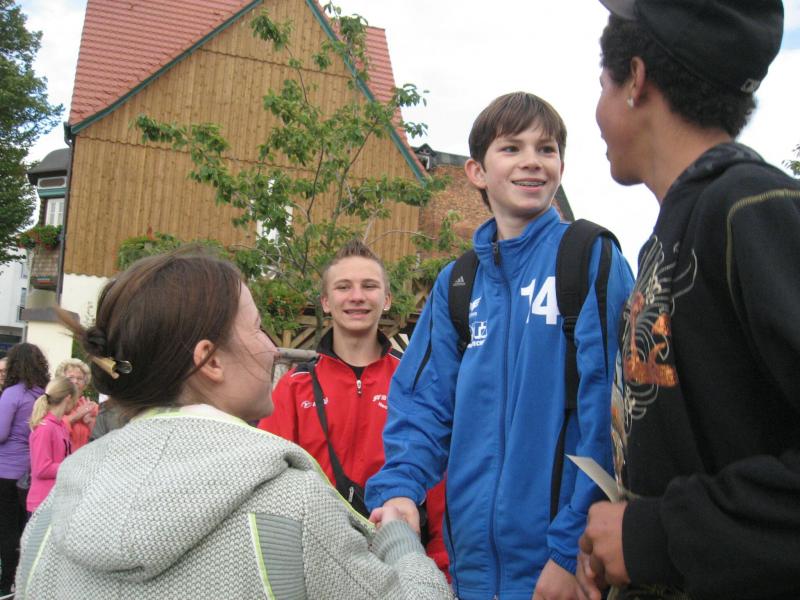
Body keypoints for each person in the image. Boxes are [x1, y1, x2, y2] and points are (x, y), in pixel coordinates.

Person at [15, 250, 452, 599]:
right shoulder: (294, 504)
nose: (273, 348)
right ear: (210, 360)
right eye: (258, 328)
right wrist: (399, 541)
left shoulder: (52, 513)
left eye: (369, 285)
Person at [366, 92, 634, 599]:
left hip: (563, 568)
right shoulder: (458, 283)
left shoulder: (588, 258)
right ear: (477, 171)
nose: (532, 160)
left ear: (560, 166)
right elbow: (425, 405)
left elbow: (613, 418)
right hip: (471, 571)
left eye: (546, 149)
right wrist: (401, 487)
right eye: (512, 148)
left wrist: (570, 550)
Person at [577, 2, 800, 600]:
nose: (596, 109)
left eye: (602, 82)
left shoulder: (754, 210)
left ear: (636, 79)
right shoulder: (674, 234)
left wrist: (655, 535)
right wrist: (626, 541)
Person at [258, 240, 449, 575]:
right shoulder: (294, 387)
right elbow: (269, 482)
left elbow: (438, 482)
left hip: (397, 554)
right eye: (343, 287)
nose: (357, 296)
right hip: (318, 561)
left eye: (369, 286)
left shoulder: (413, 382)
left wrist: (441, 567)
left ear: (387, 299)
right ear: (325, 301)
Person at [0, 342, 49, 596]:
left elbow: (1, 433)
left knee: (6, 529)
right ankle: (23, 580)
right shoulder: (42, 395)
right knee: (24, 529)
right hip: (29, 472)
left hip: (5, 470)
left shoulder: (13, 394)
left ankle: (5, 583)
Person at [27, 377, 78, 514]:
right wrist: (72, 466)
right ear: (68, 398)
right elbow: (41, 468)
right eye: (76, 398)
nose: (76, 403)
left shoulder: (61, 426)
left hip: (57, 501)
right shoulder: (45, 428)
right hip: (42, 503)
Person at [55, 358, 98, 451]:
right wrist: (76, 416)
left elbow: (102, 437)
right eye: (70, 378)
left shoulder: (91, 407)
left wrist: (90, 421)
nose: (75, 381)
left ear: (85, 383)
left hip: (86, 458)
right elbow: (51, 429)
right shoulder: (54, 404)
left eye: (80, 378)